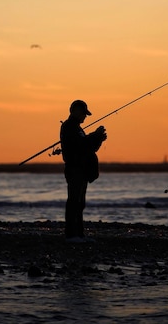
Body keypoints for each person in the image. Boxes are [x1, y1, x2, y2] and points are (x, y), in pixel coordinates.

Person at [60, 99, 107, 243]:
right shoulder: (69, 127)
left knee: (80, 203)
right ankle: (71, 235)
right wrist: (94, 136)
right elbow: (79, 146)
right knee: (74, 202)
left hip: (81, 170)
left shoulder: (77, 129)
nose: (85, 117)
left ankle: (79, 235)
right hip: (75, 169)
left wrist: (98, 139)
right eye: (83, 113)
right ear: (75, 111)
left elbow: (87, 147)